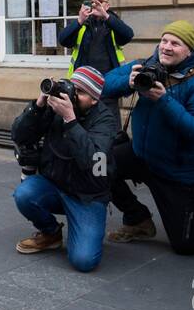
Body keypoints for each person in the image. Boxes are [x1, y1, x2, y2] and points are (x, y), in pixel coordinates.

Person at [101, 20, 194, 254]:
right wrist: (126, 82)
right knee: (97, 166)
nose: (166, 47)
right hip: (141, 154)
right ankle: (137, 219)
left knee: (185, 246)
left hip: (176, 170)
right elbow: (102, 84)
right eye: (164, 41)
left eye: (175, 43)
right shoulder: (147, 66)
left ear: (190, 50)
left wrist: (164, 100)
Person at [11, 66, 119, 272]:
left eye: (80, 92)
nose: (72, 95)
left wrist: (70, 120)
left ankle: (84, 224)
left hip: (87, 195)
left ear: (95, 100)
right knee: (24, 194)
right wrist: (38, 107)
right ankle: (50, 233)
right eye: (72, 87)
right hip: (55, 185)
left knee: (84, 261)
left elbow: (93, 160)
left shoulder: (105, 120)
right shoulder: (55, 109)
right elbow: (19, 136)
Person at [56, 0, 133, 103]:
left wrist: (106, 16)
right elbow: (63, 39)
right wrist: (80, 20)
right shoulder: (82, 24)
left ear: (107, 6)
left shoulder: (113, 24)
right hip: (83, 84)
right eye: (91, 2)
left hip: (108, 83)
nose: (95, 5)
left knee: (109, 119)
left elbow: (128, 35)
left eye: (100, 2)